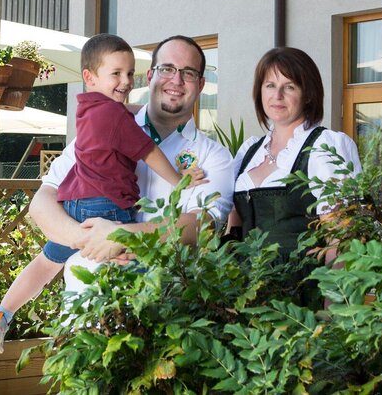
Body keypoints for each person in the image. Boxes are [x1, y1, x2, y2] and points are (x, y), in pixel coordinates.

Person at [0, 33, 207, 353]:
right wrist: (179, 177)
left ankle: (0, 315)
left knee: (45, 264)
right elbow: (148, 151)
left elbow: (127, 112)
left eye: (130, 74)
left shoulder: (88, 110)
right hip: (108, 207)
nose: (126, 82)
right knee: (132, 259)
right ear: (89, 76)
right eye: (116, 74)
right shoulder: (116, 116)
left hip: (75, 206)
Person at [28, 35, 235, 293]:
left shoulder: (214, 156)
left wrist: (122, 235)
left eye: (189, 73)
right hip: (80, 309)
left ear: (201, 84)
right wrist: (88, 239)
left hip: (160, 313)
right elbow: (41, 202)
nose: (176, 80)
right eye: (167, 69)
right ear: (149, 76)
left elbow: (202, 225)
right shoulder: (101, 126)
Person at [228, 47, 361, 266]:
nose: (277, 96)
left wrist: (336, 297)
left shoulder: (325, 145)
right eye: (270, 85)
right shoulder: (249, 151)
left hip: (301, 288)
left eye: (289, 87)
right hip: (244, 291)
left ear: (308, 94)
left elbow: (342, 237)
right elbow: (232, 229)